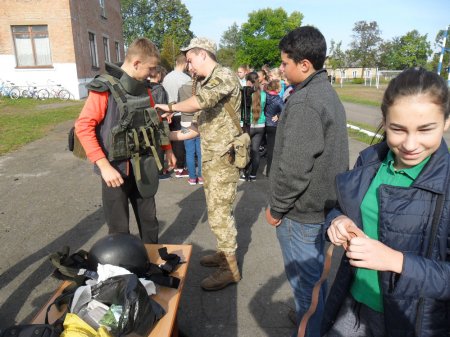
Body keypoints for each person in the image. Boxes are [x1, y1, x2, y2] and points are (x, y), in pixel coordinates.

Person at [322, 67, 450, 337]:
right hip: (352, 302)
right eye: (398, 129)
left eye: (426, 129)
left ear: (446, 122)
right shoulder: (370, 161)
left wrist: (396, 260)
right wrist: (337, 221)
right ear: (385, 121)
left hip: (409, 322)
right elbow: (343, 207)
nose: (410, 144)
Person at [265, 26, 349, 337]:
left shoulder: (305, 102)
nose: (281, 69)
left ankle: (310, 325)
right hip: (323, 209)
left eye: (284, 63)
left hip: (303, 216)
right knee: (315, 285)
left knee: (307, 290)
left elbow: (294, 169)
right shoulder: (323, 91)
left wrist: (277, 208)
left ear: (304, 65)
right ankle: (310, 318)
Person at [155, 37, 242, 291]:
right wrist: (167, 136)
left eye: (191, 60)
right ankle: (223, 254)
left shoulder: (223, 76)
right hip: (213, 158)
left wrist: (169, 107)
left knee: (220, 214)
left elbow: (198, 104)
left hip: (224, 158)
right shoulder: (207, 83)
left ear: (203, 54)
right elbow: (196, 127)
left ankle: (230, 269)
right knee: (217, 210)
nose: (189, 66)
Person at [75, 37, 175, 244]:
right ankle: (123, 272)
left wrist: (167, 149)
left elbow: (156, 123)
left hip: (144, 166)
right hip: (115, 170)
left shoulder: (146, 89)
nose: (153, 73)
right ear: (137, 63)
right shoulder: (103, 89)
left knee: (150, 223)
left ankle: (151, 267)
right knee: (118, 229)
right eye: (151, 68)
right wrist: (104, 166)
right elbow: (83, 127)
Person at [162, 54, 191, 178]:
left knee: (171, 138)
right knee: (180, 139)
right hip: (181, 113)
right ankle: (180, 167)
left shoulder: (167, 77)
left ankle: (171, 163)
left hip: (168, 111)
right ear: (185, 64)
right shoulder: (186, 79)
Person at [239, 71, 266, 181]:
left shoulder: (245, 94)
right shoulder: (263, 94)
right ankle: (253, 175)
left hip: (248, 125)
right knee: (255, 150)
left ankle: (244, 173)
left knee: (245, 149)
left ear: (249, 82)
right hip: (260, 125)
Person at [178, 74, 203, 185]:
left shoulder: (182, 88)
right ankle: (201, 177)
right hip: (199, 122)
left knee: (189, 152)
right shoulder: (202, 88)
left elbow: (179, 104)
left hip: (185, 122)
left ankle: (192, 177)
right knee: (201, 152)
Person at [263, 79, 283, 177]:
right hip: (272, 125)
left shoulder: (265, 96)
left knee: (256, 147)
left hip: (263, 123)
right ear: (277, 88)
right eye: (280, 86)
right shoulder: (278, 99)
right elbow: (285, 110)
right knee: (271, 148)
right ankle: (269, 171)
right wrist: (279, 115)